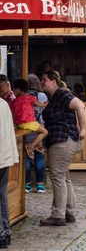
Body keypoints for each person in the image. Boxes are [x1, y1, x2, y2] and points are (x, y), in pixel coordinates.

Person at [40, 71, 86, 226]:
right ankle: (69, 212)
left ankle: (58, 214)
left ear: (54, 81)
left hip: (63, 140)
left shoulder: (61, 94)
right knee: (63, 177)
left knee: (58, 177)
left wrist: (83, 129)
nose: (42, 82)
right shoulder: (53, 98)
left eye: (45, 80)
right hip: (60, 141)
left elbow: (80, 106)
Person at [10, 79, 48, 159]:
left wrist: (14, 125)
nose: (13, 92)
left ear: (17, 90)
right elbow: (39, 105)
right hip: (29, 122)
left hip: (20, 124)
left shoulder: (13, 102)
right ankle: (31, 146)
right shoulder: (30, 98)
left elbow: (12, 114)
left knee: (40, 127)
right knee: (45, 132)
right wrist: (45, 104)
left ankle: (39, 146)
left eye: (13, 90)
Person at [25, 75, 48, 193]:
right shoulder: (42, 96)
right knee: (39, 158)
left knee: (26, 160)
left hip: (26, 130)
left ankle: (27, 184)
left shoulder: (23, 96)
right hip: (40, 130)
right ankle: (40, 185)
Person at [0, 97, 17, 248]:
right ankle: (6, 232)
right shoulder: (4, 104)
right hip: (5, 156)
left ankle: (0, 235)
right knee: (2, 195)